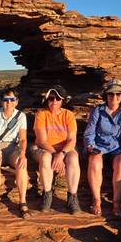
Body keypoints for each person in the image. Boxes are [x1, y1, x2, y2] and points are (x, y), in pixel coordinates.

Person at [83, 79, 121, 217]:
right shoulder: (98, 110)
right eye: (111, 94)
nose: (114, 97)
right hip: (99, 146)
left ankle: (116, 202)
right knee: (95, 161)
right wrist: (90, 146)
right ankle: (96, 199)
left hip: (118, 148)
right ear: (106, 95)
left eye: (118, 94)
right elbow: (89, 132)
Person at [32, 85, 81, 214]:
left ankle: (72, 198)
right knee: (45, 157)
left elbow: (72, 140)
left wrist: (62, 154)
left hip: (64, 148)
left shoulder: (68, 115)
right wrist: (56, 155)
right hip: (45, 148)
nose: (54, 101)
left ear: (62, 100)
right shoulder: (41, 114)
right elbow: (42, 141)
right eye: (51, 98)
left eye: (58, 99)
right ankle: (47, 196)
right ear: (47, 99)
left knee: (74, 158)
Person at [0, 86, 30, 218]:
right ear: (1, 101)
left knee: (21, 164)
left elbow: (23, 139)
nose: (9, 102)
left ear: (16, 101)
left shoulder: (21, 116)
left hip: (13, 147)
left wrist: (22, 153)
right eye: (6, 99)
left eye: (12, 99)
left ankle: (22, 201)